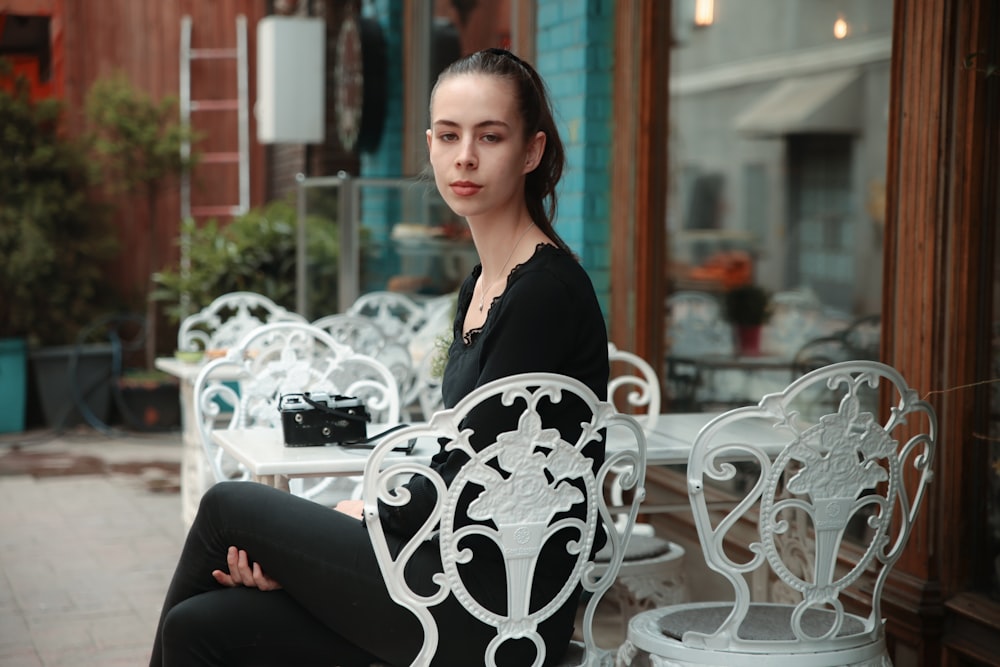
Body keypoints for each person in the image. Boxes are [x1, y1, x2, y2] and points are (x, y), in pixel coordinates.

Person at [149, 47, 609, 667]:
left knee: (228, 507)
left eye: (490, 136)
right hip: (442, 568)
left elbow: (481, 481)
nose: (464, 155)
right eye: (448, 136)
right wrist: (331, 544)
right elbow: (463, 453)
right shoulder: (482, 285)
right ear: (430, 144)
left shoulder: (544, 295)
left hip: (496, 608)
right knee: (198, 625)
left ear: (531, 151)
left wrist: (369, 514)